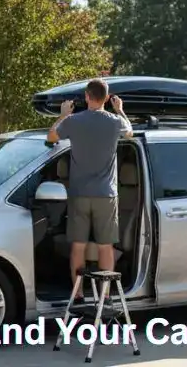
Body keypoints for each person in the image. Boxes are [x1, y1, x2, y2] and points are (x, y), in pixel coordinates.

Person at [47, 79, 133, 295]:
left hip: (79, 194)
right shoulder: (114, 121)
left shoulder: (74, 121)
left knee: (78, 246)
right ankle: (103, 295)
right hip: (106, 195)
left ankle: (78, 295)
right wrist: (120, 110)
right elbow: (130, 132)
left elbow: (51, 137)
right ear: (106, 97)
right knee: (106, 246)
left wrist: (64, 113)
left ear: (86, 97)